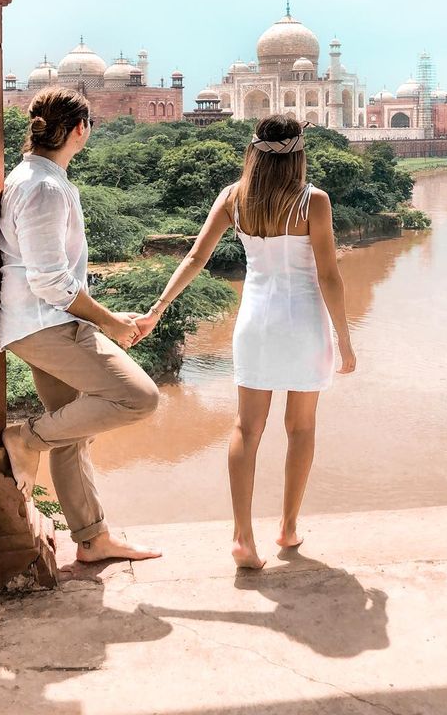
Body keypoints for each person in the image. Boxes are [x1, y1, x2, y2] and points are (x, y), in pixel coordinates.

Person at [132, 114, 356, 569]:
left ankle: (241, 537)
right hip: (303, 323)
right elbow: (329, 277)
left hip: (255, 322)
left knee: (245, 429)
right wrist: (346, 341)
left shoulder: (234, 198)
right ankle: (288, 528)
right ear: (300, 154)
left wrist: (157, 309)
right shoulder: (314, 202)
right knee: (302, 428)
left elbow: (196, 258)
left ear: (253, 151)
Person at [0, 86, 162, 564]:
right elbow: (49, 280)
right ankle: (24, 437)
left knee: (68, 428)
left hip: (39, 320)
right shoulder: (44, 187)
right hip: (46, 323)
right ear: (80, 130)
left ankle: (91, 539)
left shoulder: (34, 177)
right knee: (138, 397)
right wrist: (110, 322)